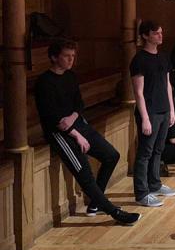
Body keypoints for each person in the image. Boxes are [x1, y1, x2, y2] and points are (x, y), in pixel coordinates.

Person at [34, 39, 139, 225]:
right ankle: (113, 212)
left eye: (73, 56)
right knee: (85, 173)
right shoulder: (44, 82)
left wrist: (74, 119)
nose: (70, 60)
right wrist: (76, 134)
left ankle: (95, 202)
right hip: (60, 135)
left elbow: (79, 105)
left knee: (111, 155)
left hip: (76, 124)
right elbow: (53, 117)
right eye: (66, 56)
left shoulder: (71, 76)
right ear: (53, 57)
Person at [130, 20, 175, 208]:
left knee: (158, 150)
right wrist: (145, 118)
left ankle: (155, 184)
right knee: (145, 153)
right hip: (149, 112)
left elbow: (167, 84)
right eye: (156, 33)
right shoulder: (139, 60)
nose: (160, 36)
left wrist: (172, 109)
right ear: (145, 36)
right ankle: (142, 193)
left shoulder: (164, 57)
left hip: (164, 109)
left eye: (161, 32)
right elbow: (138, 92)